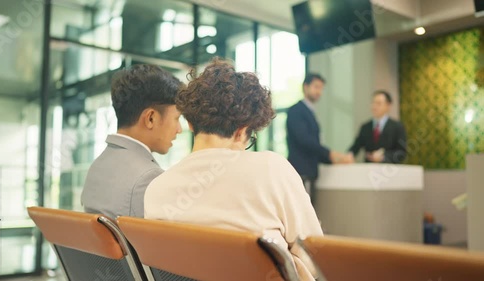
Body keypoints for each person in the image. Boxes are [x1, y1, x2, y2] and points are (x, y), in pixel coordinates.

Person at [144, 58, 323, 281]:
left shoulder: (156, 190)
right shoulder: (272, 169)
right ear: (241, 132)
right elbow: (316, 258)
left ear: (190, 124)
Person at [81, 64, 183, 219]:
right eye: (176, 118)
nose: (179, 129)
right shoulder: (148, 178)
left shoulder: (97, 166)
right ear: (151, 118)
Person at [286, 74, 352, 206]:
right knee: (302, 211)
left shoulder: (310, 112)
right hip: (302, 172)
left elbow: (313, 146)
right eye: (316, 87)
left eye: (321, 88)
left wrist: (331, 159)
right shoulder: (296, 111)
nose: (319, 92)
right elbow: (304, 140)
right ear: (306, 87)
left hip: (310, 172)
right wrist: (330, 153)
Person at [348, 90, 407, 163]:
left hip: (388, 170)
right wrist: (348, 156)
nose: (374, 106)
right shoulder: (365, 127)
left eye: (378, 103)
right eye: (373, 102)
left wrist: (384, 157)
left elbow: (401, 153)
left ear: (388, 105)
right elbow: (355, 147)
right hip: (368, 170)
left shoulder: (397, 127)